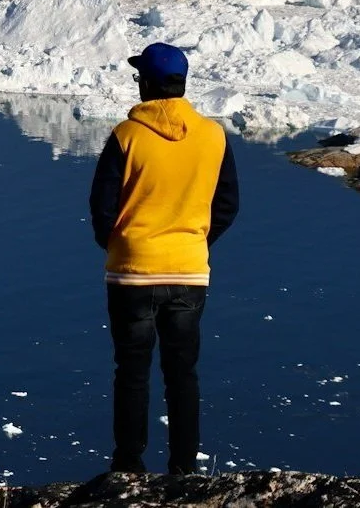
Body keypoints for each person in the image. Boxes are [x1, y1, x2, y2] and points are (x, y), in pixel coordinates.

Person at [88, 42, 239, 476]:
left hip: (133, 272)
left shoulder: (126, 136)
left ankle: (129, 465)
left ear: (148, 83)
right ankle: (184, 469)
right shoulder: (213, 136)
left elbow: (102, 207)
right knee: (182, 373)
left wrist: (122, 245)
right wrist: (196, 243)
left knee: (132, 371)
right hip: (190, 272)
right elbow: (226, 204)